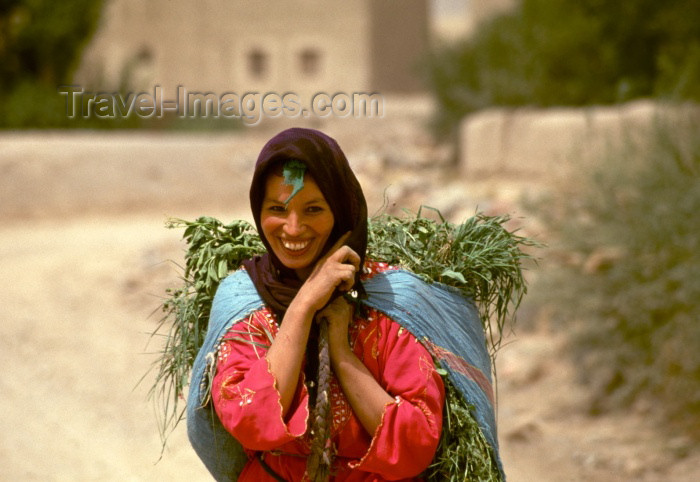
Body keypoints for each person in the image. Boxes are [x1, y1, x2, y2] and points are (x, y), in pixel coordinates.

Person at [187, 128, 503, 481]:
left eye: (313, 209)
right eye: (277, 208)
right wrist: (304, 305)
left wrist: (342, 353)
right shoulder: (245, 304)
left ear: (340, 208)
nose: (293, 229)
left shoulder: (393, 303)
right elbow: (250, 422)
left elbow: (414, 444)